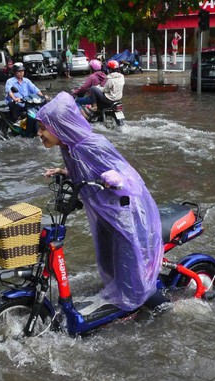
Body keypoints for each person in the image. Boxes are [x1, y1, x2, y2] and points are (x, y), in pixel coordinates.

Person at [36, 92, 165, 311]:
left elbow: (126, 173)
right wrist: (63, 171)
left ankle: (164, 307)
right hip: (104, 213)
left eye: (43, 128)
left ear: (59, 126)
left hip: (123, 212)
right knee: (107, 260)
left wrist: (118, 178)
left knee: (129, 270)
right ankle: (118, 299)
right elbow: (89, 171)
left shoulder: (94, 144)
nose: (39, 134)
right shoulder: (69, 146)